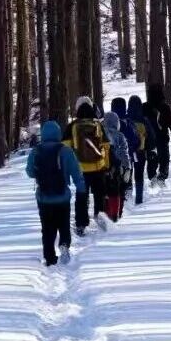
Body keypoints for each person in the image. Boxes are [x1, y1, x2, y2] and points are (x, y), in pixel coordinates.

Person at [26, 120, 85, 267]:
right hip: (62, 197)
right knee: (64, 224)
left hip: (43, 198)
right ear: (58, 134)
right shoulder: (65, 151)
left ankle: (49, 257)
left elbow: (30, 172)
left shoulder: (36, 151)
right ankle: (64, 245)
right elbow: (76, 172)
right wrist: (81, 188)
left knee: (47, 228)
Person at [63, 95, 110, 236]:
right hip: (98, 166)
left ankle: (81, 224)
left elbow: (66, 148)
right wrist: (106, 165)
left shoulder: (72, 126)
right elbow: (106, 146)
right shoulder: (98, 124)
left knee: (81, 196)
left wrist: (69, 168)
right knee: (99, 194)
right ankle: (100, 219)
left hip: (80, 168)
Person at [145, 83, 171, 184]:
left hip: (149, 139)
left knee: (152, 158)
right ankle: (162, 177)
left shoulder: (145, 107)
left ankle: (152, 177)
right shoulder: (165, 107)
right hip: (162, 137)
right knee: (164, 158)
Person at [102, 112, 132, 222]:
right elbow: (124, 153)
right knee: (118, 190)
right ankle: (117, 214)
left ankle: (106, 214)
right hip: (117, 167)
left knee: (105, 191)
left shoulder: (100, 134)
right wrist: (127, 167)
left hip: (103, 167)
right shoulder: (120, 136)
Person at [125, 94, 155, 204]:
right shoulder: (144, 120)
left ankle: (127, 198)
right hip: (140, 152)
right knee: (139, 175)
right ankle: (139, 199)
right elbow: (151, 137)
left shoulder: (126, 119)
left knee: (128, 174)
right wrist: (150, 149)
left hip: (128, 152)